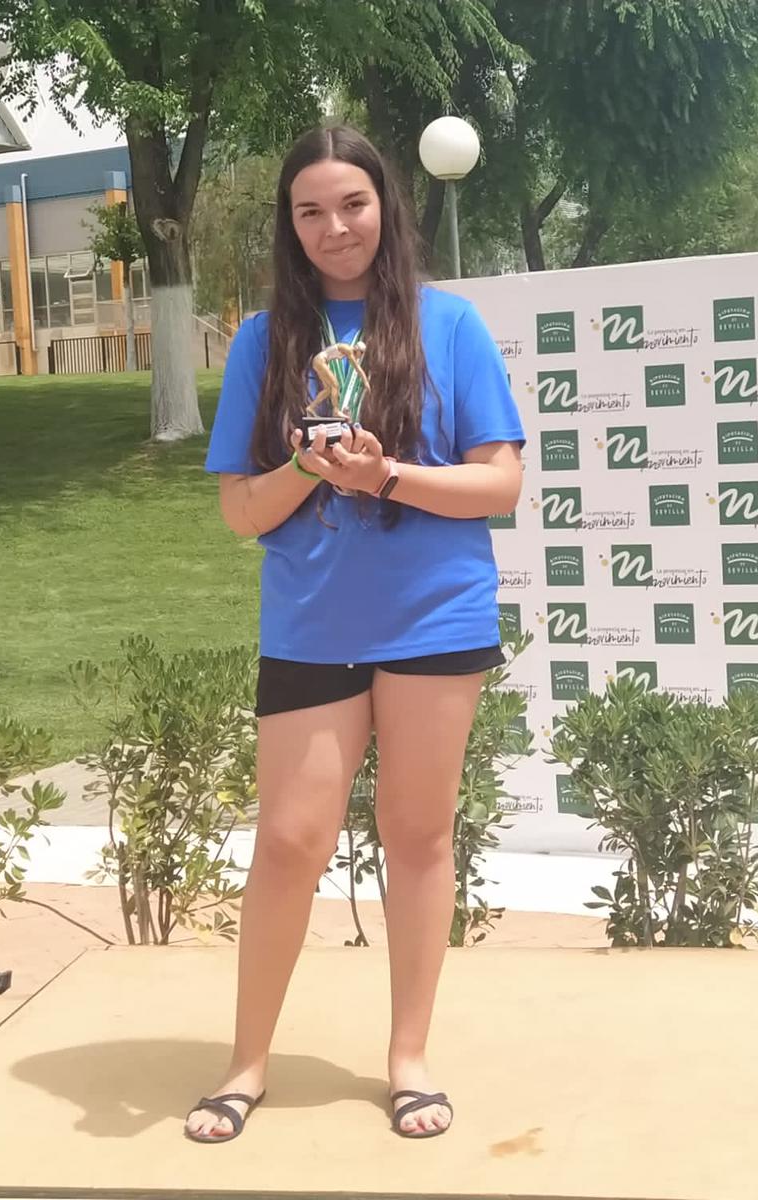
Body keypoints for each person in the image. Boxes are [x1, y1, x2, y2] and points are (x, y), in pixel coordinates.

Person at [190, 124, 525, 1143]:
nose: (334, 227)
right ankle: (246, 1065)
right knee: (289, 841)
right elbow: (241, 512)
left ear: (386, 207)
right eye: (310, 211)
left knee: (417, 838)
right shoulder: (263, 341)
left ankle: (408, 1060)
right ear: (289, 226)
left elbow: (499, 484)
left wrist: (384, 477)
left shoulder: (448, 324)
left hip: (434, 619)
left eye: (353, 204)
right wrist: (308, 466)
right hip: (311, 626)